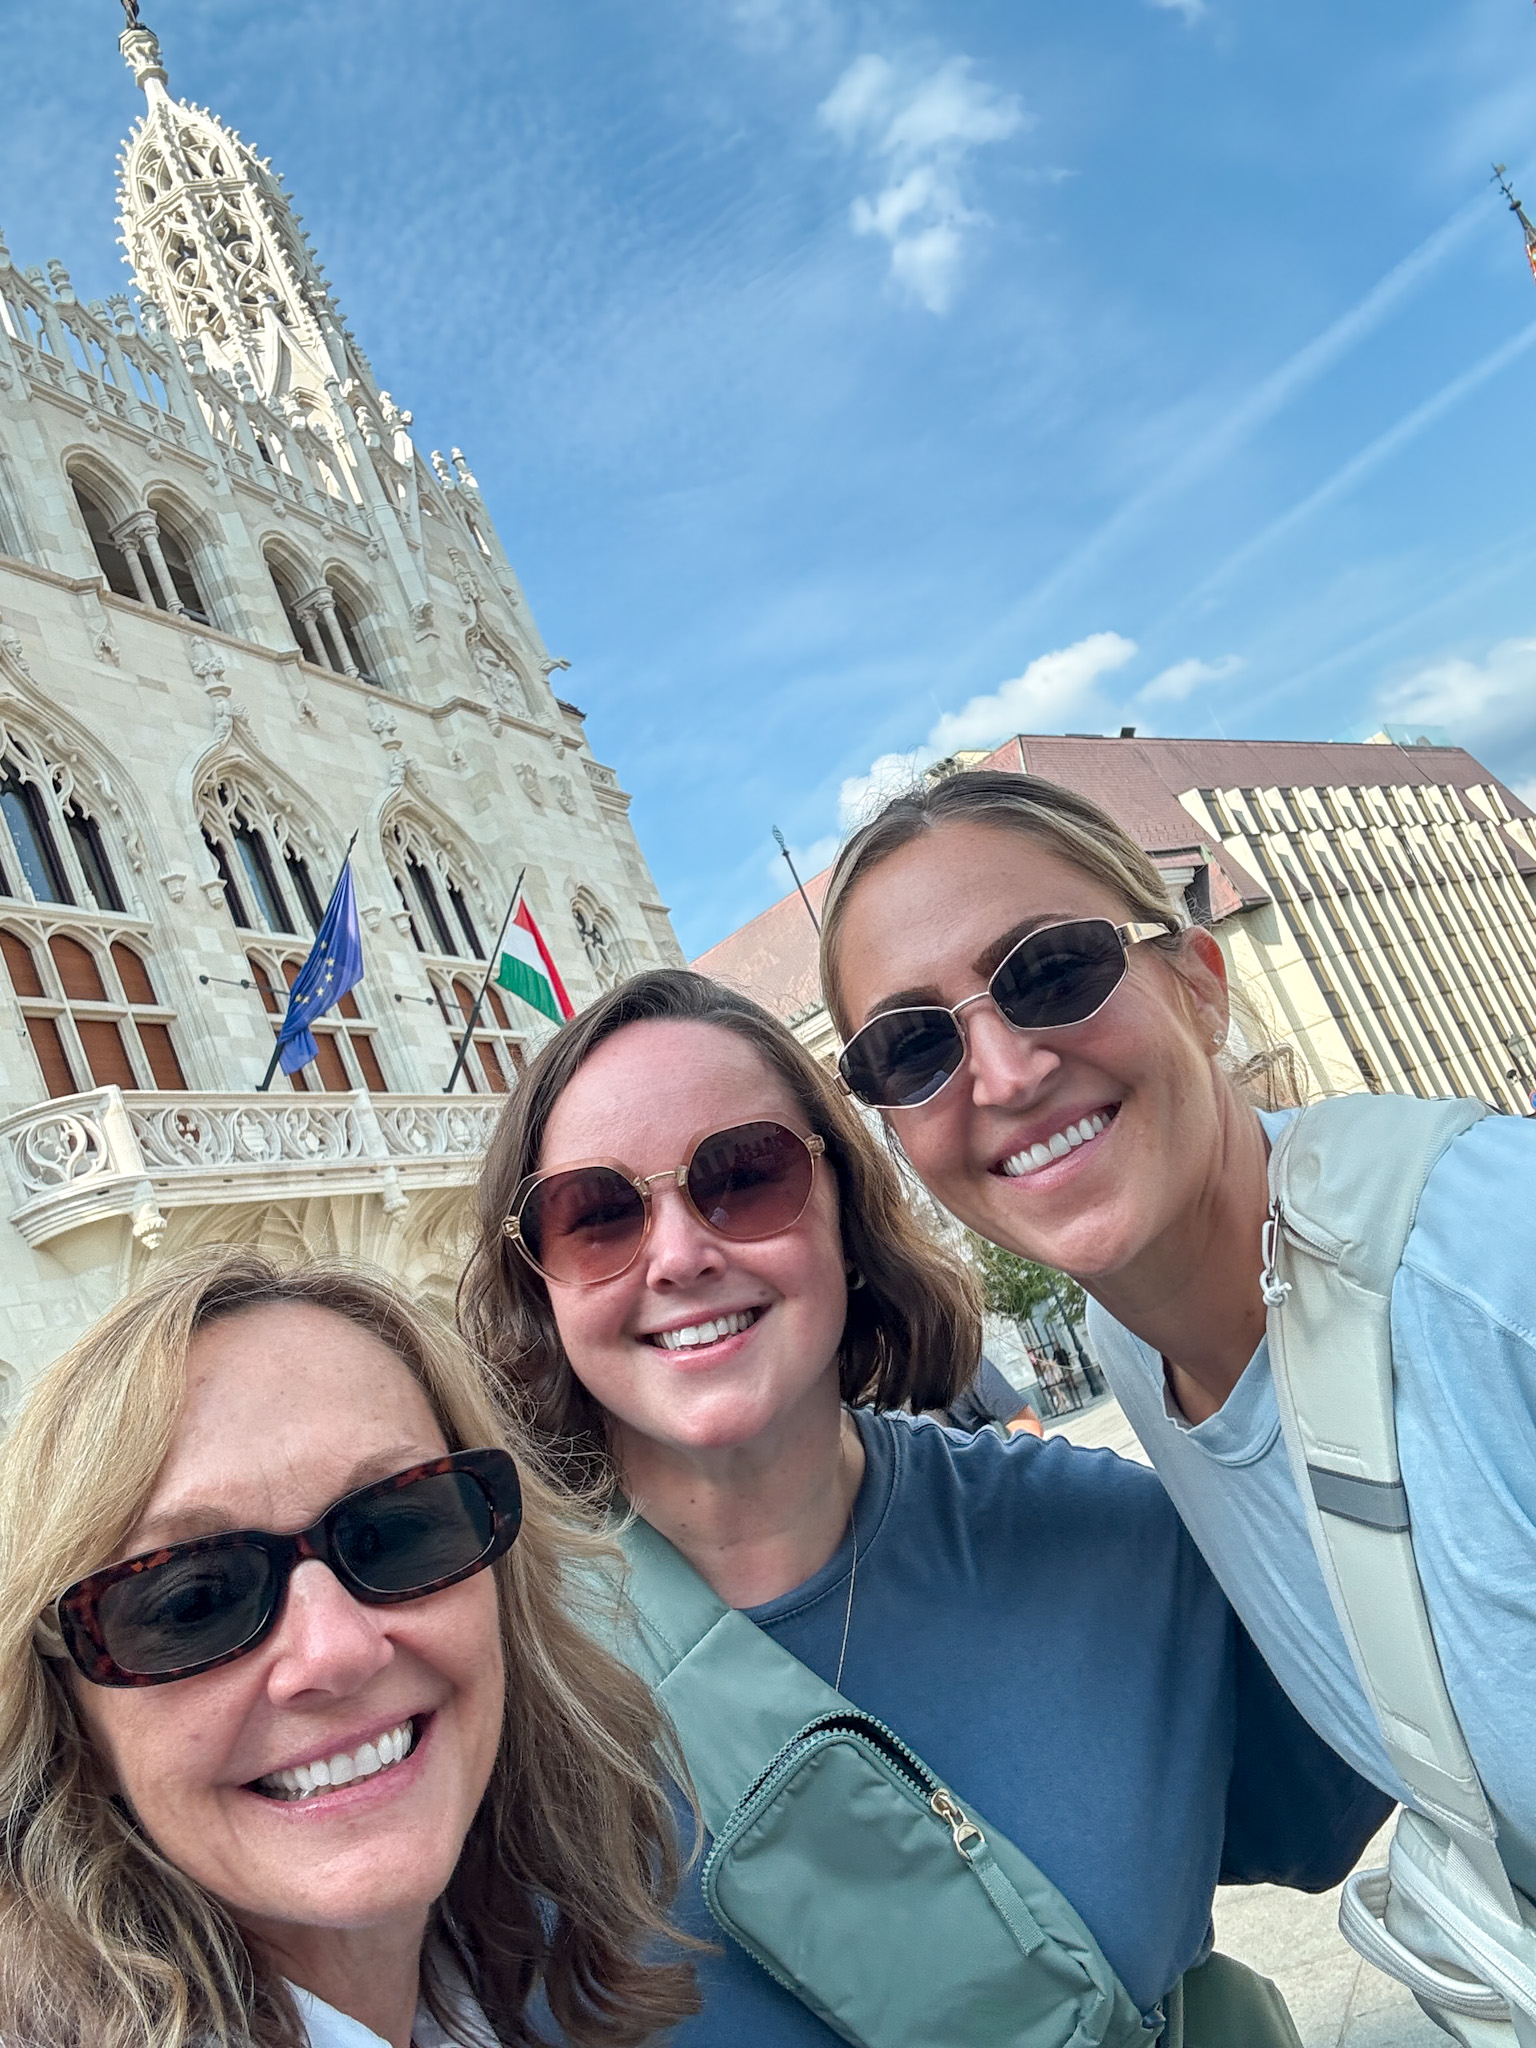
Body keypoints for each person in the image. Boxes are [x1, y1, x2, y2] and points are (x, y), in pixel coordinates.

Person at [459, 966, 1391, 2047]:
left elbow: (1362, 1790)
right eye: (598, 1214)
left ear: (849, 1212)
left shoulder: (1120, 1542)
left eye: (744, 1175)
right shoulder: (483, 1674)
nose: (679, 1254)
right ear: (541, 1283)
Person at [816, 768, 1536, 1980]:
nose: (1000, 1070)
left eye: (1050, 971)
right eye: (911, 1045)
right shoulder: (1136, 1349)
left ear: (1200, 981)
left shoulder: (1488, 1258)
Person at [0, 1251, 697, 2048]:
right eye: (195, 1600)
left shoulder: (484, 1980)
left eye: (399, 1531)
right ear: (71, 1720)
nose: (335, 1652)